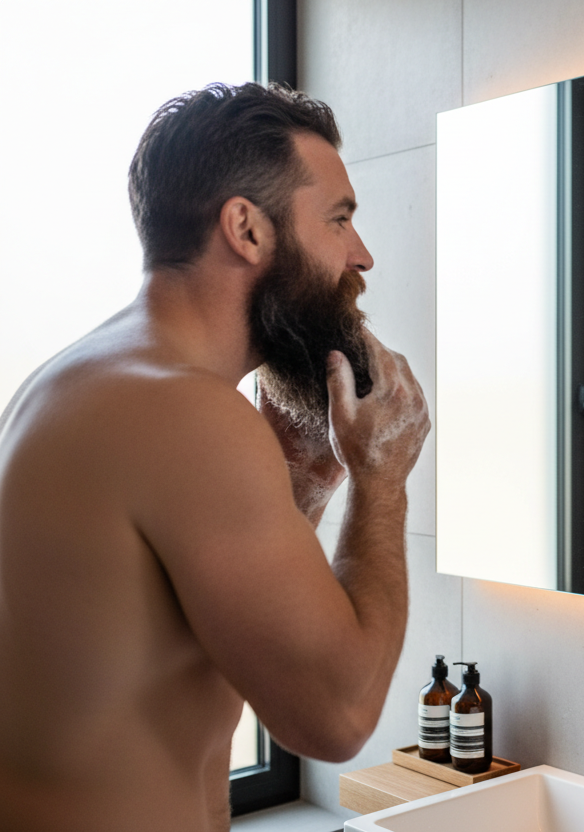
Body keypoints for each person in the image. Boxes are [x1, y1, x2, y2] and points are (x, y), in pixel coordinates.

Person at [0, 83, 430, 831]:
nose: (361, 256)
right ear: (247, 229)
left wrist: (303, 486)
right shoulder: (188, 414)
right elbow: (337, 716)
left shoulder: (85, 379)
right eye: (339, 219)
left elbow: (188, 635)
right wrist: (382, 480)